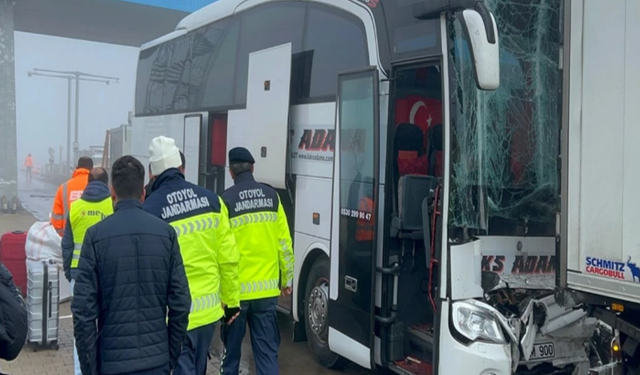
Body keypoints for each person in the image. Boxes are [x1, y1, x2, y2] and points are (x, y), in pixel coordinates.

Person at [72, 155, 191, 375]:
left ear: (112, 192)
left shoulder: (95, 237)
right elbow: (181, 302)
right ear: (143, 194)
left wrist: (90, 367)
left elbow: (83, 313)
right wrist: (171, 356)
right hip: (157, 362)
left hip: (112, 363)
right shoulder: (166, 234)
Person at [142, 136, 240, 375]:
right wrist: (232, 303)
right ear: (181, 167)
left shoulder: (149, 210)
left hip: (172, 316)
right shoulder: (213, 201)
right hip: (208, 313)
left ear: (152, 173)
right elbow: (228, 258)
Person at [219, 147, 294, 375]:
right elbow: (284, 244)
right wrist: (287, 280)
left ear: (231, 171)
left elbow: (224, 253)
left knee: (231, 356)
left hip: (237, 297)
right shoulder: (272, 197)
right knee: (267, 354)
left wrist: (223, 294)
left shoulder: (225, 201)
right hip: (266, 294)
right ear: (253, 168)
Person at [61, 167, 113, 375]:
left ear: (88, 183)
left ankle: (80, 371)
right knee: (106, 324)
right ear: (108, 185)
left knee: (81, 330)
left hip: (79, 276)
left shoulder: (75, 208)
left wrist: (69, 271)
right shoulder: (112, 206)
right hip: (107, 275)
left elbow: (67, 245)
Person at [51, 157, 93, 236]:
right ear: (92, 169)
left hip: (69, 236)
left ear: (77, 168)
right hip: (93, 237)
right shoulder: (97, 187)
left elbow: (56, 217)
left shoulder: (63, 188)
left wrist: (62, 236)